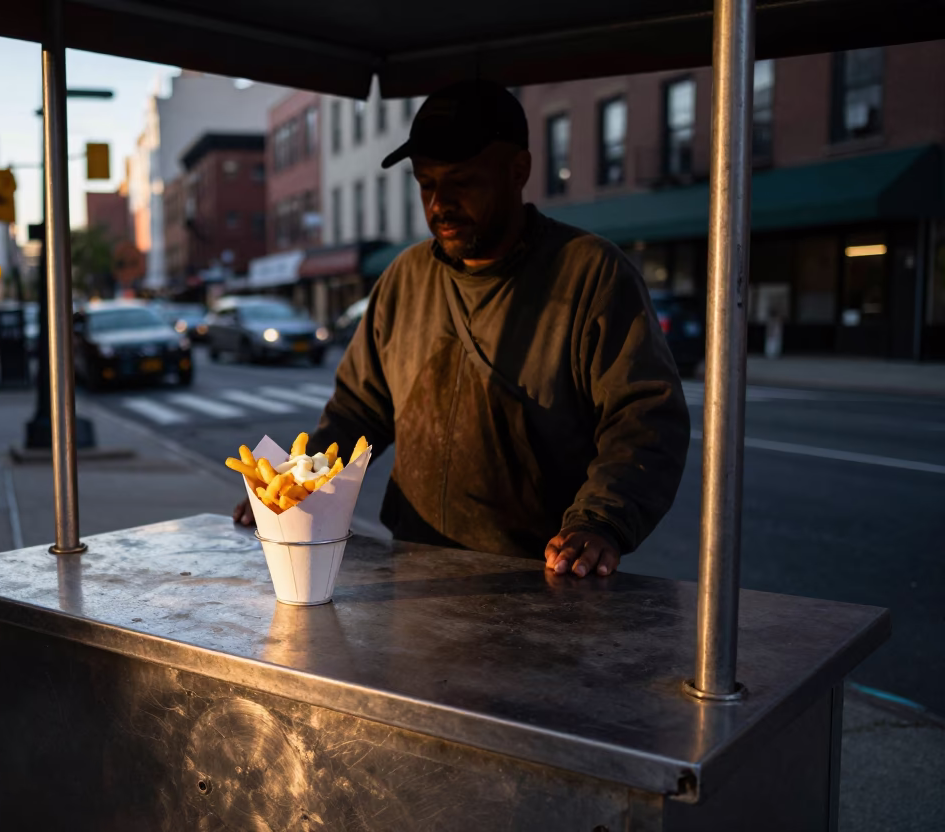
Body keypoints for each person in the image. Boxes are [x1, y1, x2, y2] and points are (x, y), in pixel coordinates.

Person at [234, 80, 691, 580]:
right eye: (426, 183)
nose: (440, 203)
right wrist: (294, 490)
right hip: (413, 563)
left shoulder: (591, 273)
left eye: (462, 181)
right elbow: (357, 410)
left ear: (519, 171)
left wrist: (601, 521)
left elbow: (644, 418)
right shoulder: (404, 278)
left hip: (545, 577)